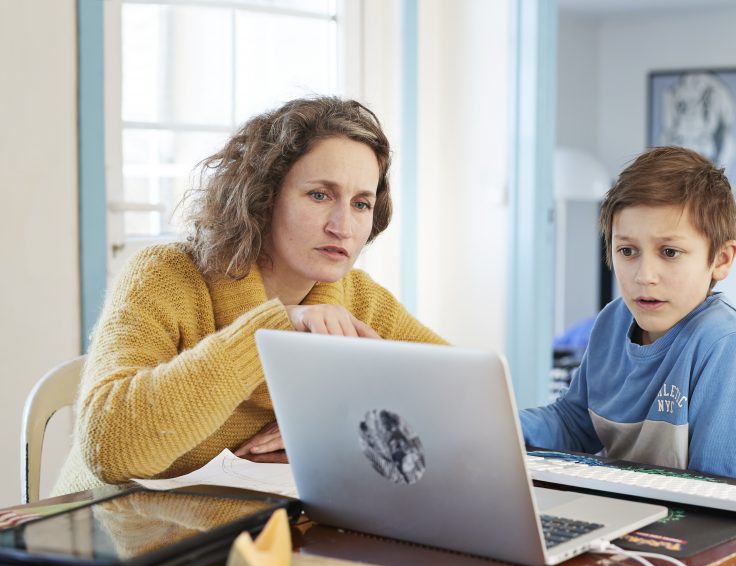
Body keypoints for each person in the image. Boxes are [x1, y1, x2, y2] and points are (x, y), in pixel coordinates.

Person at [54, 96, 444, 495]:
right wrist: (273, 328)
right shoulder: (163, 275)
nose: (343, 226)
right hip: (118, 535)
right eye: (320, 195)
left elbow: (465, 405)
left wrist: (334, 429)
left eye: (361, 203)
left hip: (257, 533)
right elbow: (110, 448)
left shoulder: (359, 299)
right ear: (263, 196)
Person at [519, 146, 736, 482]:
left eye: (669, 252)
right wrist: (505, 428)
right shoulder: (612, 322)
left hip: (693, 528)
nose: (644, 275)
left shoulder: (728, 346)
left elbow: (721, 493)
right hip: (623, 512)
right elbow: (574, 423)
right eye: (627, 250)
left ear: (721, 259)